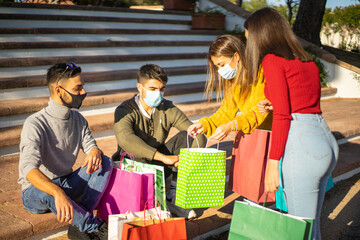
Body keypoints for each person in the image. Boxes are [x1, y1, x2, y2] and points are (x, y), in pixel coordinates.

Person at [244, 8, 339, 239]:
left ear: (261, 35)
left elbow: (284, 116)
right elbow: (303, 100)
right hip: (323, 138)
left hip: (301, 145)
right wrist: (274, 102)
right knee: (310, 230)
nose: (249, 44)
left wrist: (272, 164)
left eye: (249, 38)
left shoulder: (271, 60)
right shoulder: (306, 60)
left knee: (298, 232)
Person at [18, 62, 113, 240]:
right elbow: (29, 171)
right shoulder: (35, 123)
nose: (83, 92)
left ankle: (79, 219)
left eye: (82, 87)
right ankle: (92, 226)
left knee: (105, 162)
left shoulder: (78, 119)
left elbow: (90, 144)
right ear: (59, 90)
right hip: (35, 192)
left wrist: (94, 150)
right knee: (49, 192)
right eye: (77, 88)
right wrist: (57, 192)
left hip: (66, 183)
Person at [112, 63, 206, 219]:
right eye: (152, 89)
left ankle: (175, 196)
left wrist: (186, 159)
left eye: (161, 89)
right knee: (136, 152)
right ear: (139, 87)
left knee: (193, 137)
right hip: (134, 165)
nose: (158, 94)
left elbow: (194, 132)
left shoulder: (166, 107)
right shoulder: (125, 110)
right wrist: (164, 158)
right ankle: (158, 202)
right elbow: (126, 139)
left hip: (158, 164)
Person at [188, 34, 272, 141]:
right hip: (254, 137)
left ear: (236, 56)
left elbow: (260, 111)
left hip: (273, 134)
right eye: (217, 66)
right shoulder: (233, 80)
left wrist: (233, 125)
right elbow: (227, 111)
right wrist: (205, 124)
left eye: (222, 65)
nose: (220, 70)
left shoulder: (260, 73)